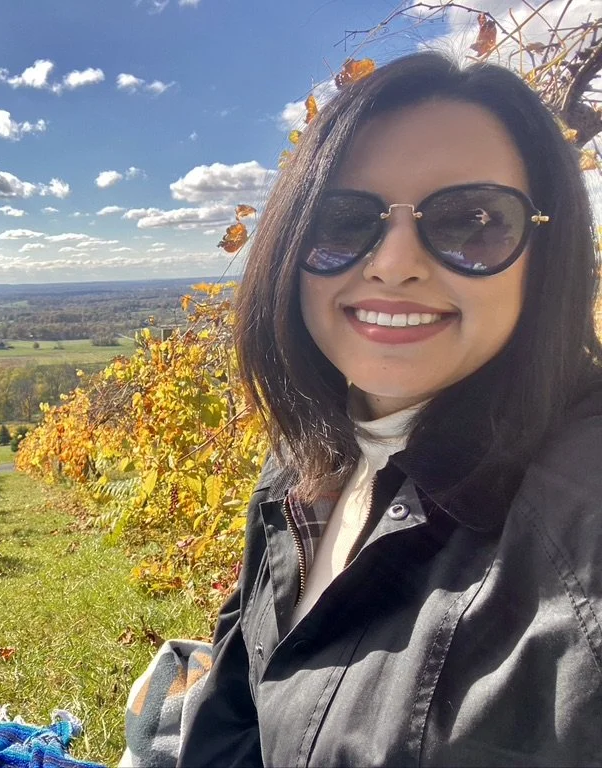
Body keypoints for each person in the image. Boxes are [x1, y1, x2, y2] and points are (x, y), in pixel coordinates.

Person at [176, 51, 602, 766]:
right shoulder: (301, 460)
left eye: (473, 221)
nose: (394, 262)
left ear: (546, 249)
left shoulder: (578, 521)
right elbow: (242, 708)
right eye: (343, 221)